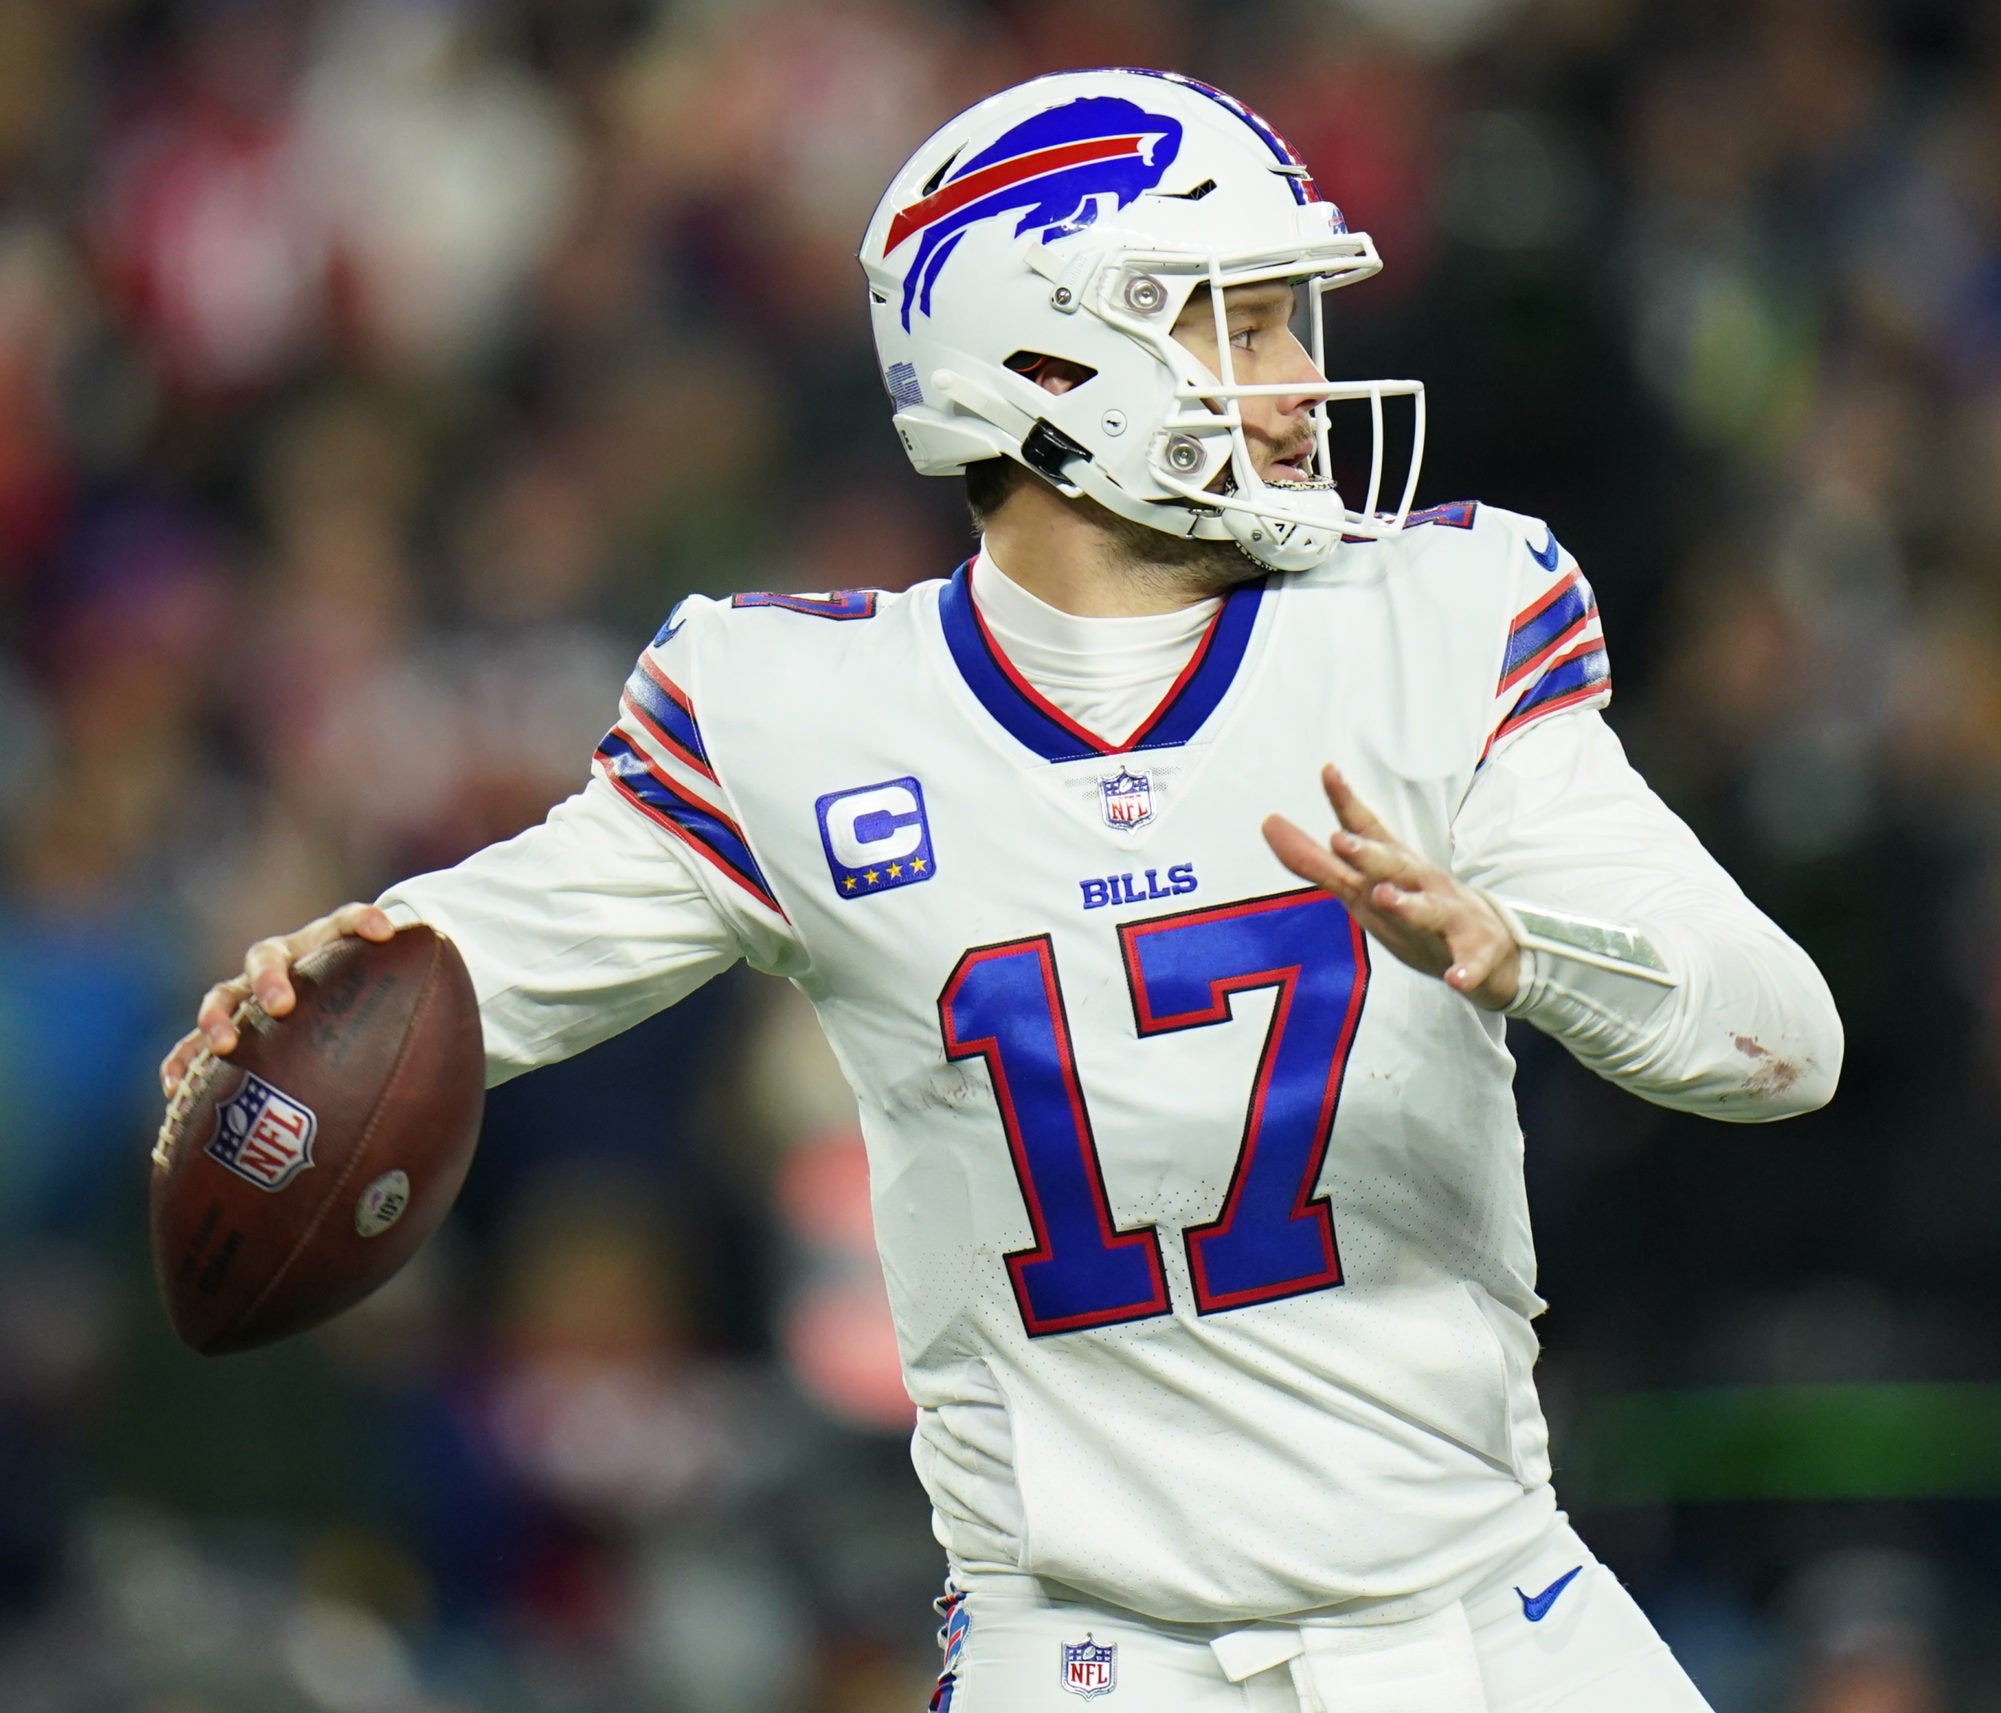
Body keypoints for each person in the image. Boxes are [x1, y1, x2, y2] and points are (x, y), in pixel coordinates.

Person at [161, 69, 1841, 1712]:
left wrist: (1522, 950)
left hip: (1488, 1605)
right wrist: (307, 1000)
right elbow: (455, 977)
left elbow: (1785, 1041)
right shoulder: (799, 717)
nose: (1296, 383)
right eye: (1241, 326)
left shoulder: (1440, 616)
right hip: (1099, 1652)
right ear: (1050, 363)